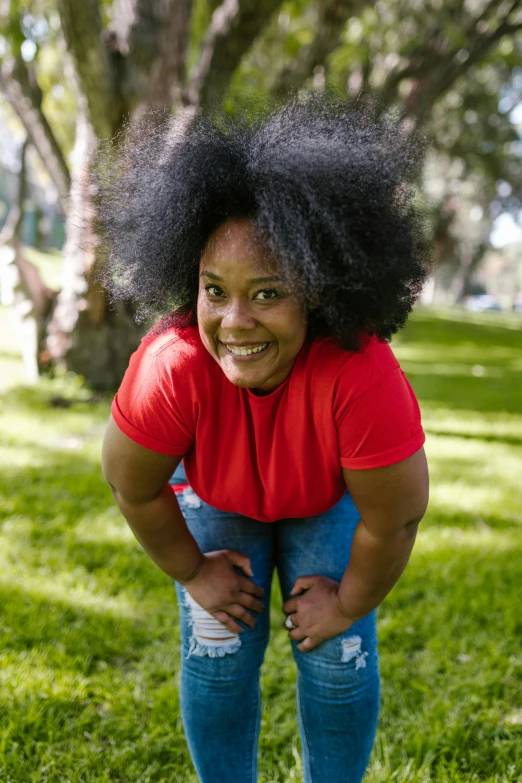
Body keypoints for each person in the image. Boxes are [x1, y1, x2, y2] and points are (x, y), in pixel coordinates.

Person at [98, 92, 430, 783]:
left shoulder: (358, 372)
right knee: (217, 654)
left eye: (269, 292)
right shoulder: (174, 363)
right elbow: (132, 487)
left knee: (337, 658)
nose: (235, 321)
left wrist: (347, 604)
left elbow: (394, 519)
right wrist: (193, 571)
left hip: (325, 498)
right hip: (216, 496)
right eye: (214, 290)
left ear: (319, 288)